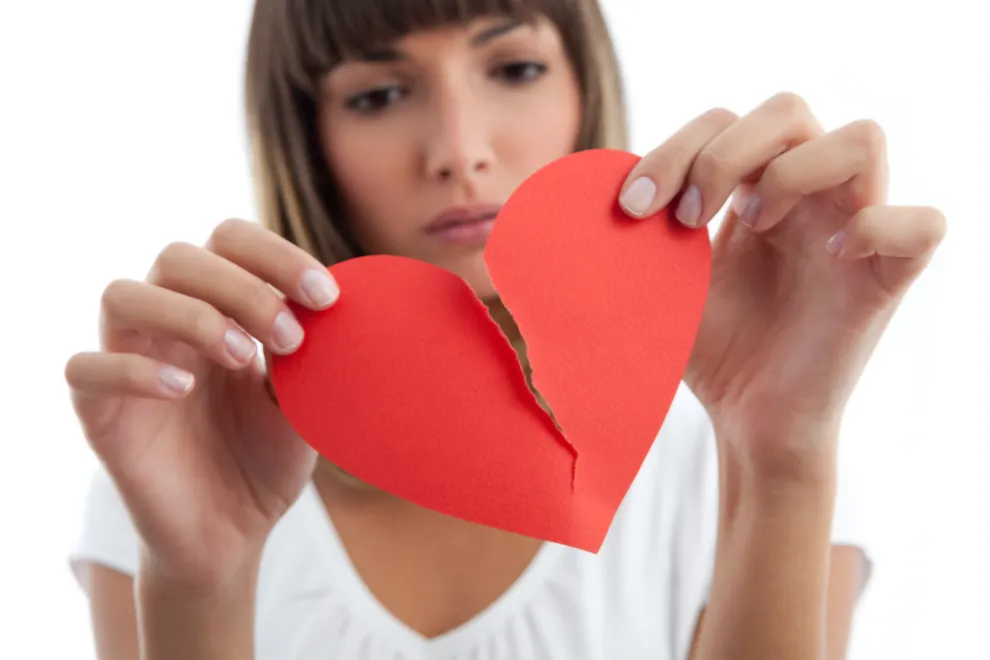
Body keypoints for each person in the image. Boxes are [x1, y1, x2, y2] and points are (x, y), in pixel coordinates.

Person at [63, 0, 945, 658]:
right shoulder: (187, 472)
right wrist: (198, 587)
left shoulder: (725, 462)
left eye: (513, 68)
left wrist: (782, 450)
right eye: (378, 94)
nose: (459, 146)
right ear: (307, 139)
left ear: (583, 84)